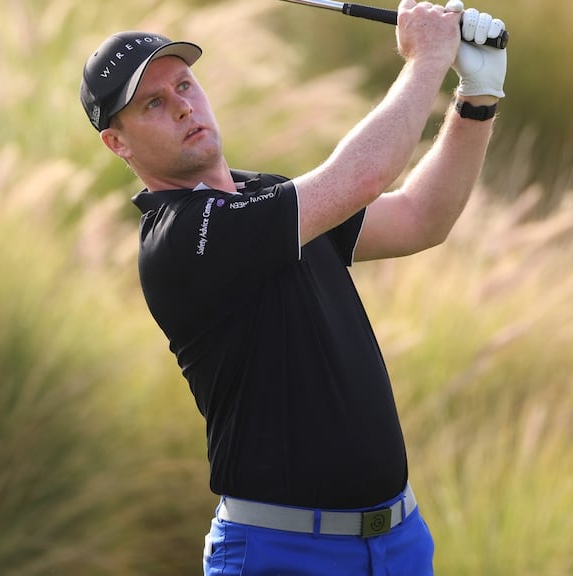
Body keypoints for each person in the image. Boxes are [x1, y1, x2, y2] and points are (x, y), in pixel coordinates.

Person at [79, 0, 506, 573]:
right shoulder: (182, 237)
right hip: (282, 553)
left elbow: (420, 217)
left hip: (398, 542)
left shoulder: (267, 197)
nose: (182, 106)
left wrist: (477, 101)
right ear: (118, 143)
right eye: (153, 103)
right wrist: (428, 59)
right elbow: (361, 177)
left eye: (183, 85)